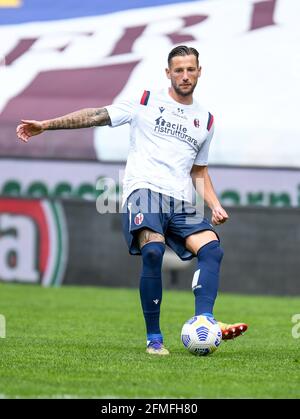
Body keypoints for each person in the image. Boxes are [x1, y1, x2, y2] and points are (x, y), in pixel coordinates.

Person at [17, 45, 248, 355]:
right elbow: (97, 115)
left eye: (190, 69)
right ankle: (154, 339)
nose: (184, 75)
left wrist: (214, 202)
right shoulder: (145, 101)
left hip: (181, 199)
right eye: (178, 70)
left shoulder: (205, 120)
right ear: (168, 73)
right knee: (152, 251)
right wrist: (46, 125)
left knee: (211, 249)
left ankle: (205, 319)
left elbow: (199, 170)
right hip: (144, 190)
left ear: (199, 72)